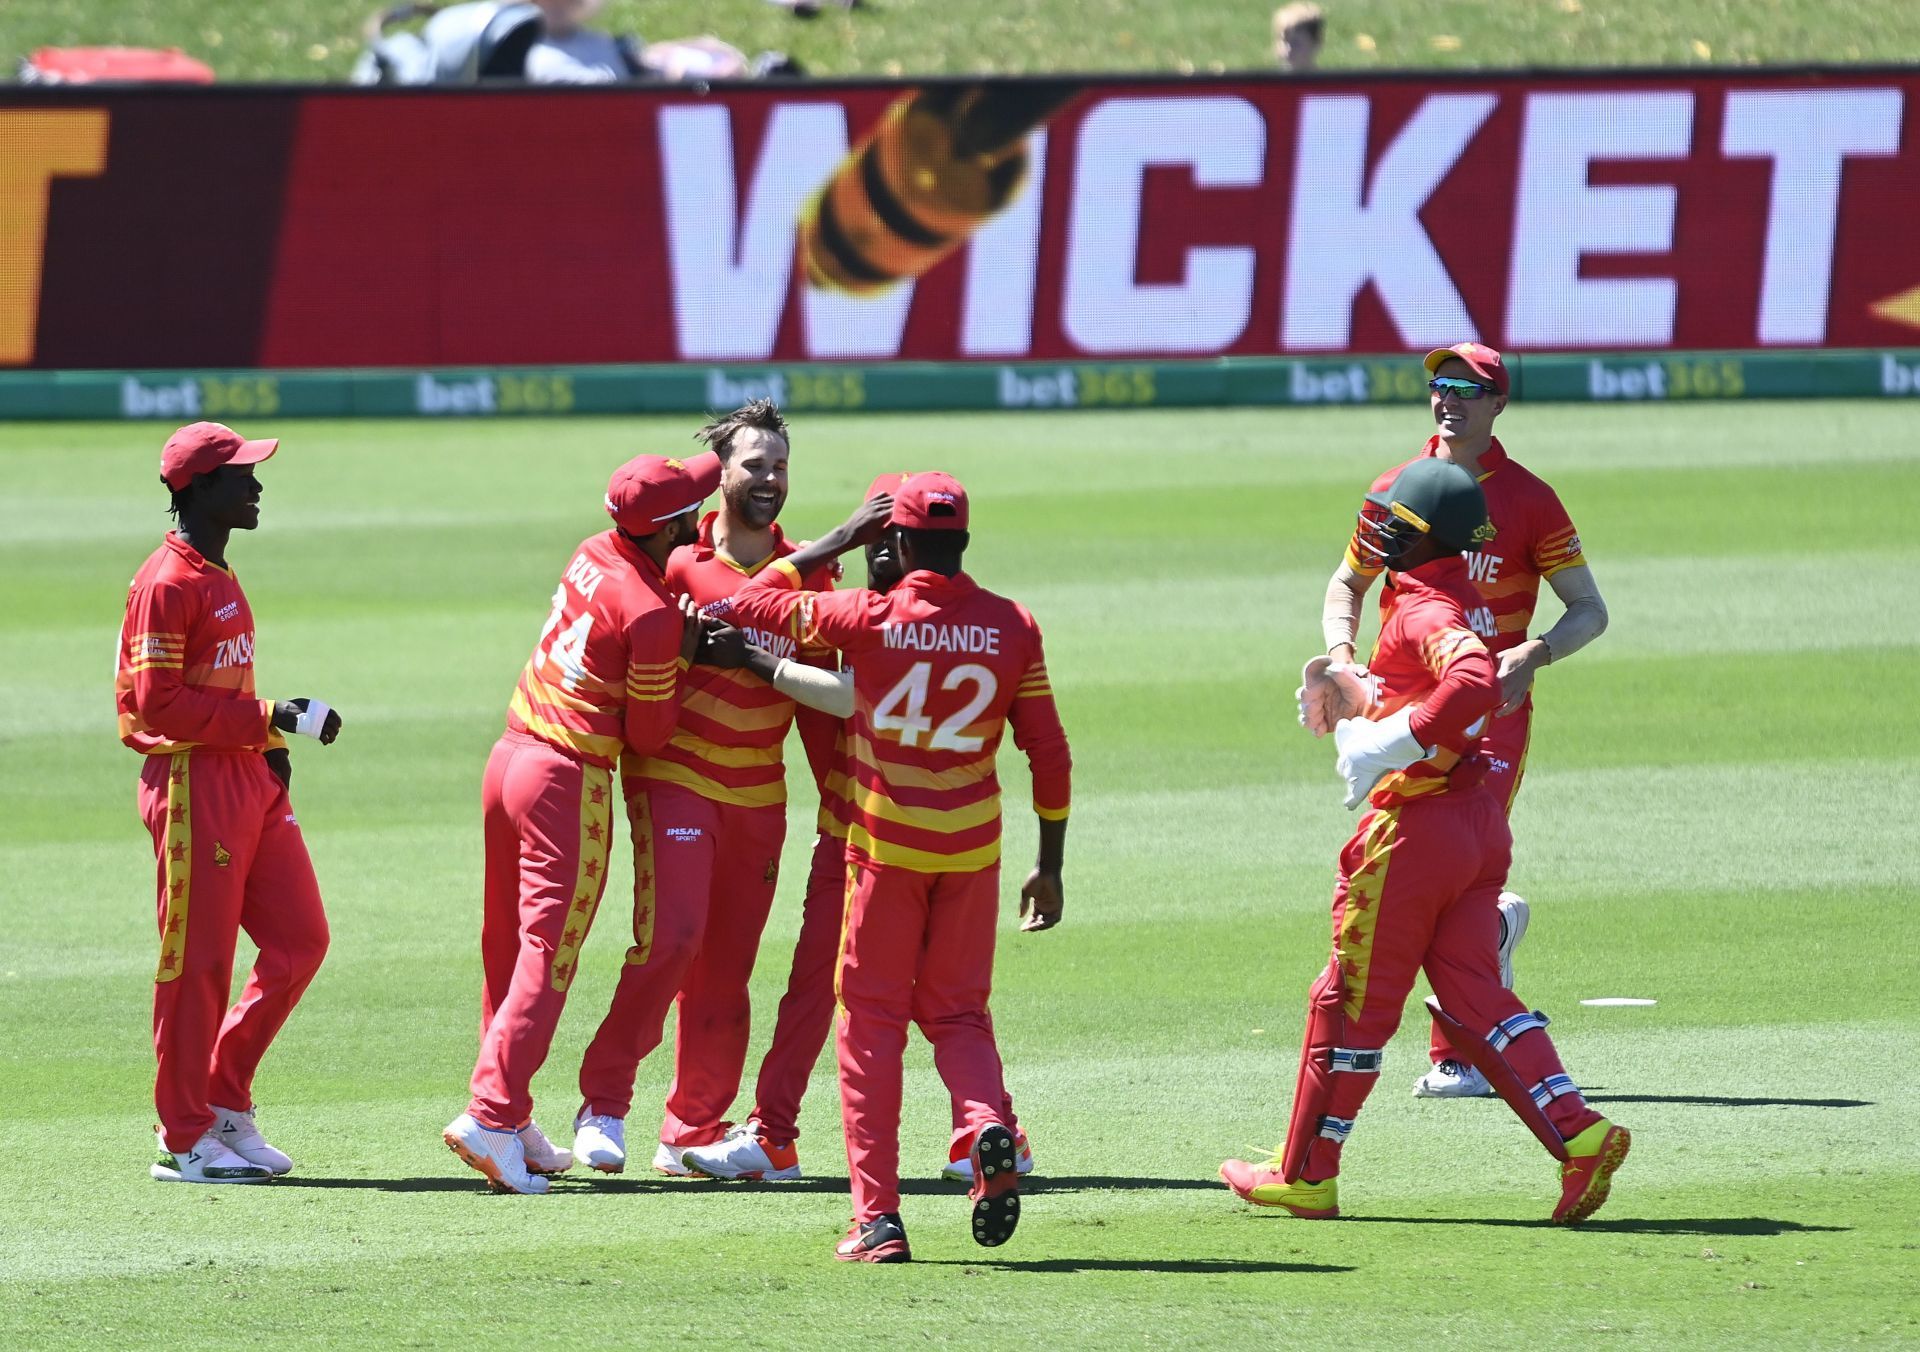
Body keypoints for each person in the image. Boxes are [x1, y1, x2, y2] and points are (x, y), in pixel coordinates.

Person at [1223, 457, 1629, 1225]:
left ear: (1422, 536)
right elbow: (1448, 674)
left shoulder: (1422, 609)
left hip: (1414, 835)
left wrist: (1381, 747)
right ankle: (1582, 1137)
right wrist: (1362, 695)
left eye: (1393, 524)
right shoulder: (1459, 596)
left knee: (1344, 1004)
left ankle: (1307, 1174)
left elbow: (1472, 680)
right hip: (1475, 822)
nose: (1378, 530)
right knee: (1476, 997)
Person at [718, 473, 1070, 1263]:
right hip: (973, 857)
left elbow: (747, 603)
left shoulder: (866, 619)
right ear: (966, 545)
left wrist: (835, 541)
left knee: (871, 1028)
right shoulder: (1014, 627)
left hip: (885, 854)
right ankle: (984, 1128)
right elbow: (1049, 754)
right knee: (958, 1016)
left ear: (899, 545)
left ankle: (878, 1219)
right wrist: (1049, 865)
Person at [1318, 342, 1608, 1099]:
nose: (1448, 398)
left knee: (1444, 865)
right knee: (1417, 867)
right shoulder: (1399, 488)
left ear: (1498, 404)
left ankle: (1453, 1054)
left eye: (1468, 388)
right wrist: (1342, 657)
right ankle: (1484, 976)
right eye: (1439, 385)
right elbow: (1348, 583)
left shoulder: (1530, 500)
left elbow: (1589, 610)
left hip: (1491, 716)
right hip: (1403, 706)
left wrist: (1534, 654)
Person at [570, 402, 839, 1178]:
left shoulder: (813, 573)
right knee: (673, 941)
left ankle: (692, 1127)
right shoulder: (673, 557)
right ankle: (603, 1104)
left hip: (761, 795)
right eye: (756, 464)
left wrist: (840, 801)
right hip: (676, 778)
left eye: (781, 465)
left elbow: (826, 701)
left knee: (727, 964)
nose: (770, 479)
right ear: (720, 473)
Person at [443, 450, 714, 1195]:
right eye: (690, 510)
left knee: (508, 945)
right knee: (547, 954)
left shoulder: (592, 550)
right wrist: (689, 657)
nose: (700, 517)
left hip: (508, 760)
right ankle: (491, 1115)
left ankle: (512, 1109)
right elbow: (652, 739)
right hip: (567, 776)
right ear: (672, 528)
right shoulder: (655, 614)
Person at [116, 422, 343, 1184]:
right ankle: (181, 1139)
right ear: (201, 490)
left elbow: (221, 688)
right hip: (191, 782)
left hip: (244, 776)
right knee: (199, 962)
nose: (256, 486)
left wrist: (270, 755)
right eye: (242, 475)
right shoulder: (168, 581)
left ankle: (221, 1101)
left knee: (299, 943)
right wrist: (272, 717)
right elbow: (156, 706)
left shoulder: (215, 571)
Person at [1272, 3, 1325, 71]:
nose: (1289, 49)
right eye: (1284, 40)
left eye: (1296, 43)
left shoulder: (1323, 81)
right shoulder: (1270, 81)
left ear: (1316, 43)